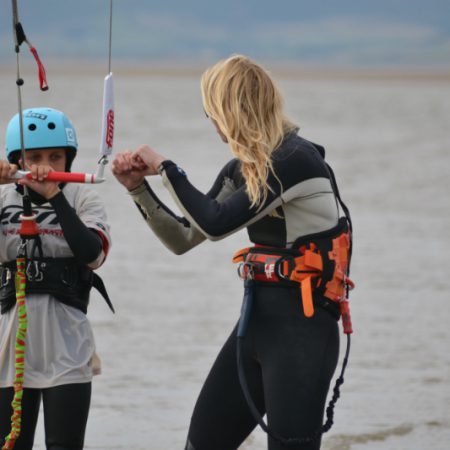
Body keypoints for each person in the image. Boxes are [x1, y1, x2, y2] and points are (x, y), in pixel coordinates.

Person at [112, 54, 353, 450]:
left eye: (211, 112)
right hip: (256, 328)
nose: (211, 124)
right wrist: (138, 188)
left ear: (230, 109)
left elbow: (216, 222)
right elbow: (184, 238)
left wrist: (167, 167)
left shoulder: (296, 160)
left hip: (304, 334)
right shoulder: (242, 169)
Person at [0, 107, 112, 450]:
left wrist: (53, 196)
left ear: (69, 158)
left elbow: (92, 255)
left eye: (55, 156)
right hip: (8, 350)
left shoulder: (84, 198)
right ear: (17, 159)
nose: (45, 165)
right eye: (34, 157)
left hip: (67, 348)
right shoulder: (2, 200)